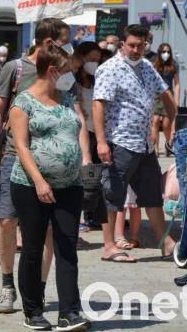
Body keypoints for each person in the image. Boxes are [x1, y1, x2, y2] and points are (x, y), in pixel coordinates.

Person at [0, 18, 65, 313]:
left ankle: (37, 290)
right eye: (61, 41)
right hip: (15, 156)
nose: (66, 48)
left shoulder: (64, 69)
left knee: (47, 230)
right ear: (47, 42)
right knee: (7, 220)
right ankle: (7, 285)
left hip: (51, 158)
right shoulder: (15, 69)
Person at [8, 45, 92, 331]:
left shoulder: (68, 98)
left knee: (67, 246)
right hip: (31, 186)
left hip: (70, 185)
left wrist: (85, 164)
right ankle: (33, 310)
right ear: (53, 71)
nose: (73, 75)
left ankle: (70, 311)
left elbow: (77, 130)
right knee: (32, 248)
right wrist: (40, 181)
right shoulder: (24, 102)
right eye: (68, 70)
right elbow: (21, 146)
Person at [93, 24, 178, 264]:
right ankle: (109, 246)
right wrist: (101, 142)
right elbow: (98, 105)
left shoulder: (147, 66)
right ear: (122, 44)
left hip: (145, 145)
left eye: (140, 45)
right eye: (131, 45)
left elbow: (166, 94)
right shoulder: (110, 69)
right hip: (119, 142)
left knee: (152, 196)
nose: (135, 49)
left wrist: (172, 127)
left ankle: (166, 243)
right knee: (113, 195)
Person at [73, 42, 131, 262]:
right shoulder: (72, 81)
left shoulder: (99, 79)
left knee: (97, 184)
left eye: (98, 60)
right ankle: (76, 228)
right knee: (81, 183)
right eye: (91, 59)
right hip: (79, 135)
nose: (94, 64)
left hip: (98, 135)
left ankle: (95, 227)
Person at [151, 43, 180, 156]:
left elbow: (177, 84)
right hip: (156, 96)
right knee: (155, 121)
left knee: (167, 124)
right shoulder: (154, 64)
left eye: (168, 51)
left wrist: (176, 100)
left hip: (169, 96)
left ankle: (169, 145)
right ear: (159, 52)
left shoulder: (174, 65)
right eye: (163, 52)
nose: (166, 54)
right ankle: (155, 149)